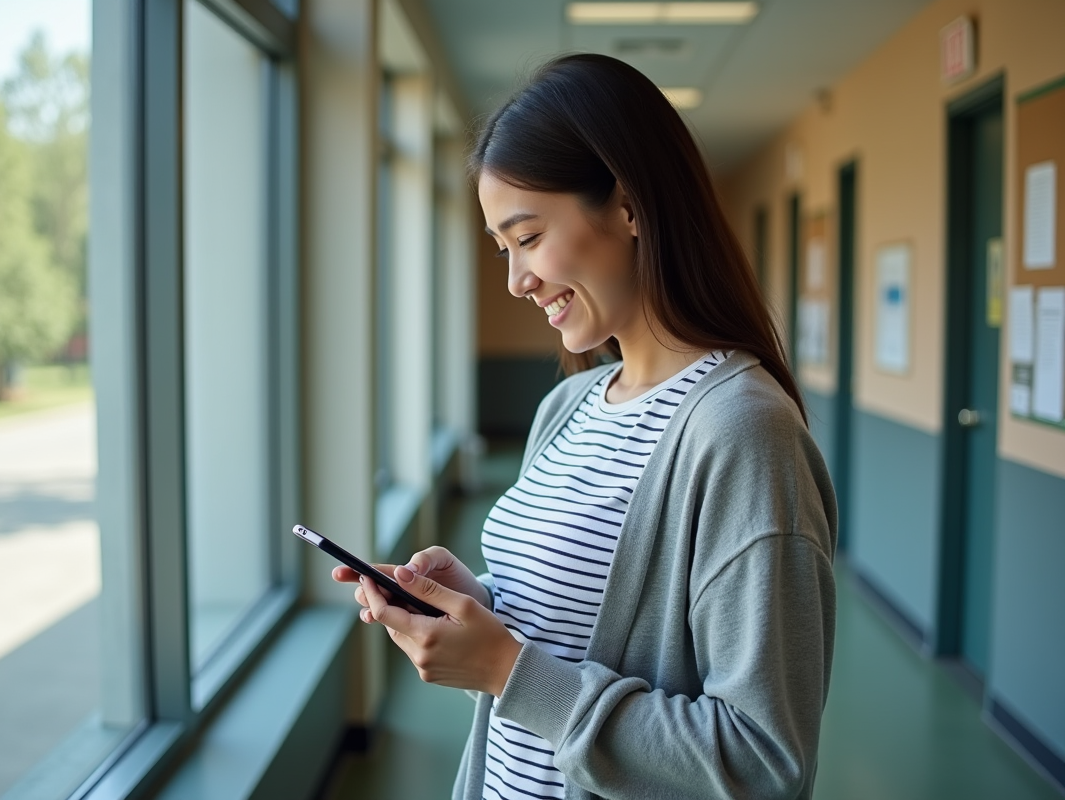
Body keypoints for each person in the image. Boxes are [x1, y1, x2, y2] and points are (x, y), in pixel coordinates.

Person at [332, 53, 837, 800]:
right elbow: (571, 644)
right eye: (502, 249)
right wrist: (476, 607)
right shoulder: (569, 406)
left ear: (629, 207)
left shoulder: (743, 433)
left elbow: (762, 764)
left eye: (529, 237)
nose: (516, 280)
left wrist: (505, 668)